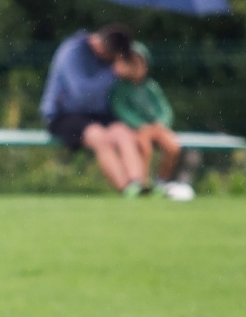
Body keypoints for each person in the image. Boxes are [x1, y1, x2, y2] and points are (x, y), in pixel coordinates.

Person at [40, 24, 149, 196]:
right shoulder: (72, 52)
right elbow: (82, 95)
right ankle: (127, 190)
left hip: (96, 114)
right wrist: (113, 73)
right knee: (99, 136)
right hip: (64, 114)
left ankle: (139, 185)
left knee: (124, 133)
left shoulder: (110, 57)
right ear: (105, 49)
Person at [112, 42, 192, 200]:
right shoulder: (120, 88)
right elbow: (121, 110)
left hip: (157, 127)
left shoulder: (151, 87)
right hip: (138, 129)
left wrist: (161, 123)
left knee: (173, 147)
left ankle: (161, 181)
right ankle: (143, 183)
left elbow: (164, 108)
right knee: (145, 148)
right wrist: (139, 125)